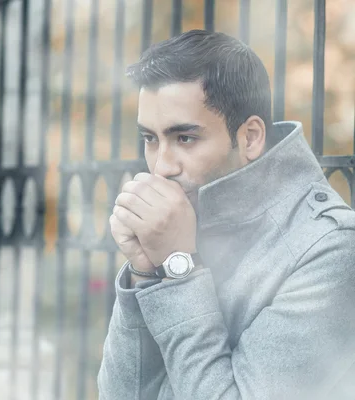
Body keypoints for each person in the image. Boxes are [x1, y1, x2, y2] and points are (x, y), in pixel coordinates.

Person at [97, 29, 355, 400]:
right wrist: (143, 270)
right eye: (150, 139)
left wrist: (177, 265)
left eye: (184, 138)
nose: (161, 168)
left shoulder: (330, 250)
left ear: (250, 137)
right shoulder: (183, 222)